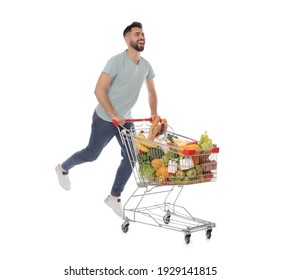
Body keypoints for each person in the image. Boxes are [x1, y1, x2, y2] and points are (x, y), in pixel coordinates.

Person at [55, 22, 158, 218]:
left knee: (131, 156)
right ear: (127, 40)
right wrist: (113, 115)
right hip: (104, 118)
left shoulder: (146, 66)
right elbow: (98, 90)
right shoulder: (116, 62)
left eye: (143, 34)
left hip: (125, 120)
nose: (141, 37)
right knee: (91, 154)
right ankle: (62, 168)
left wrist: (154, 113)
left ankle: (114, 197)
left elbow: (152, 91)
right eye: (137, 34)